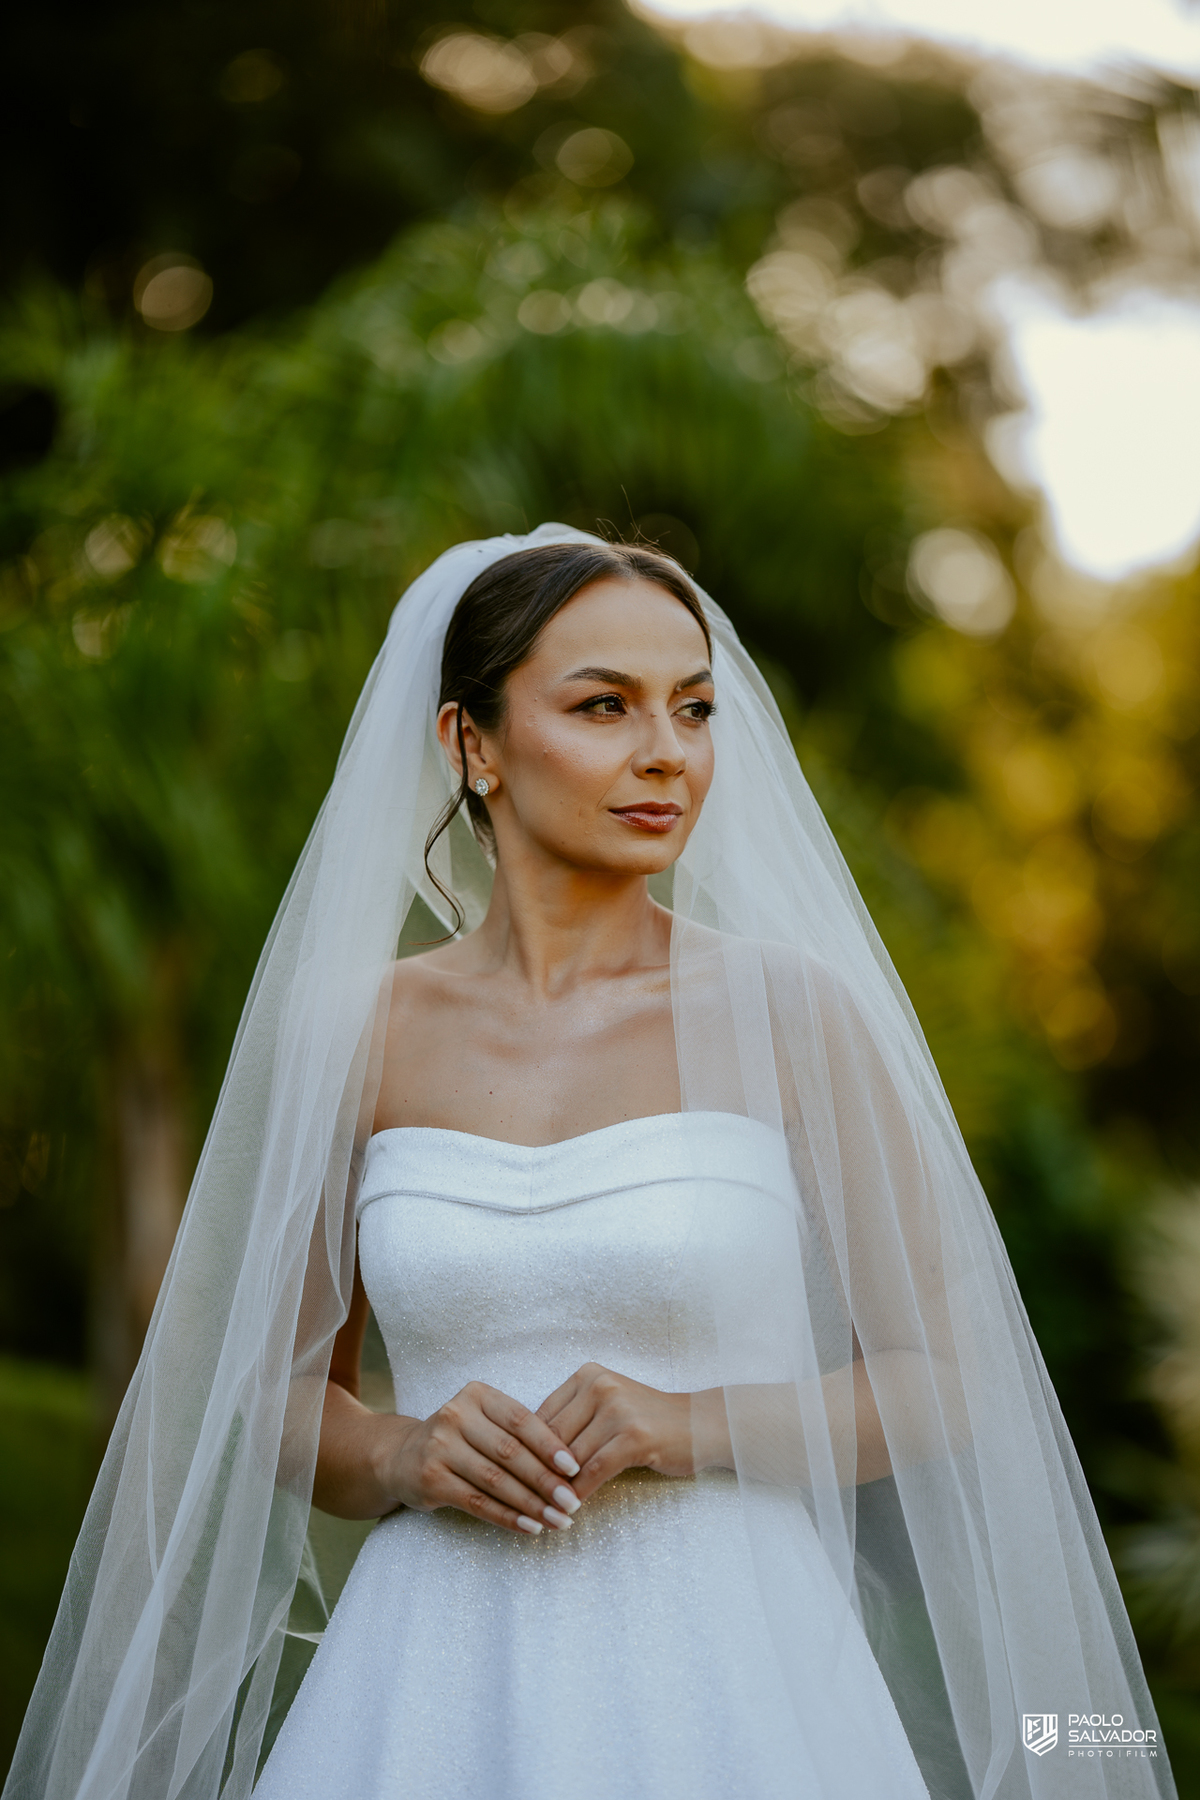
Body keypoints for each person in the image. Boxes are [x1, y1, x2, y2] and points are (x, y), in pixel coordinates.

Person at [7, 527, 1173, 1800]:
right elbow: (279, 1400)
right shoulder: (357, 1033)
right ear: (472, 744)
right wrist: (400, 1455)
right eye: (604, 706)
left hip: (737, 1679)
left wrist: (686, 1422)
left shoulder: (790, 1015)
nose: (666, 750)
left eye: (693, 707)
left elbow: (947, 1378)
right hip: (433, 1677)